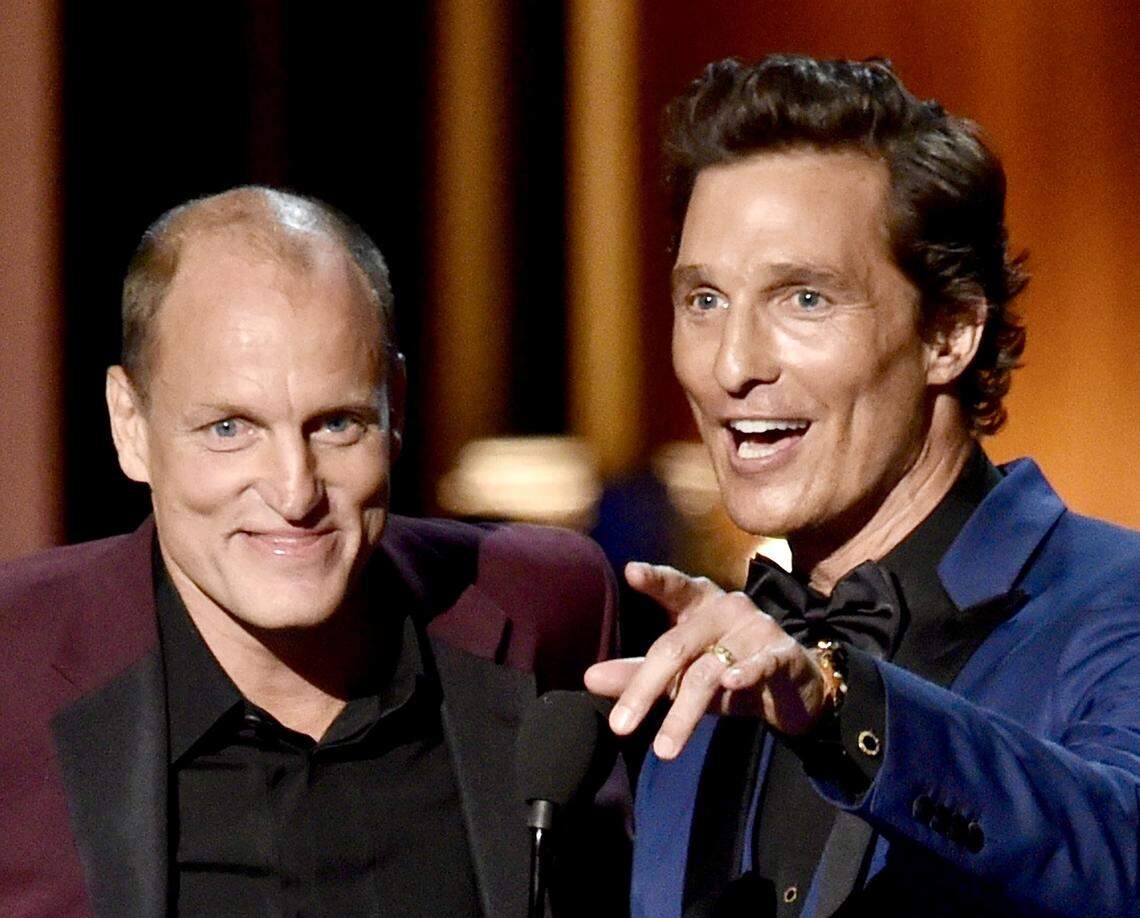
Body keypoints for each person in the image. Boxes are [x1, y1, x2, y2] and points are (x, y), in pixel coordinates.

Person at [586, 55, 1140, 916]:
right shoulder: (703, 673)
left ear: (949, 333)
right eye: (703, 301)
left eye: (804, 299)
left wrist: (841, 703)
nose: (731, 366)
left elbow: (1121, 852)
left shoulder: (1116, 601)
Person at [0, 186, 619, 917]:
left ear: (395, 406)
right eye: (231, 428)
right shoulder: (16, 663)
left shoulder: (545, 606)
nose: (295, 494)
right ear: (130, 424)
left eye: (335, 424)